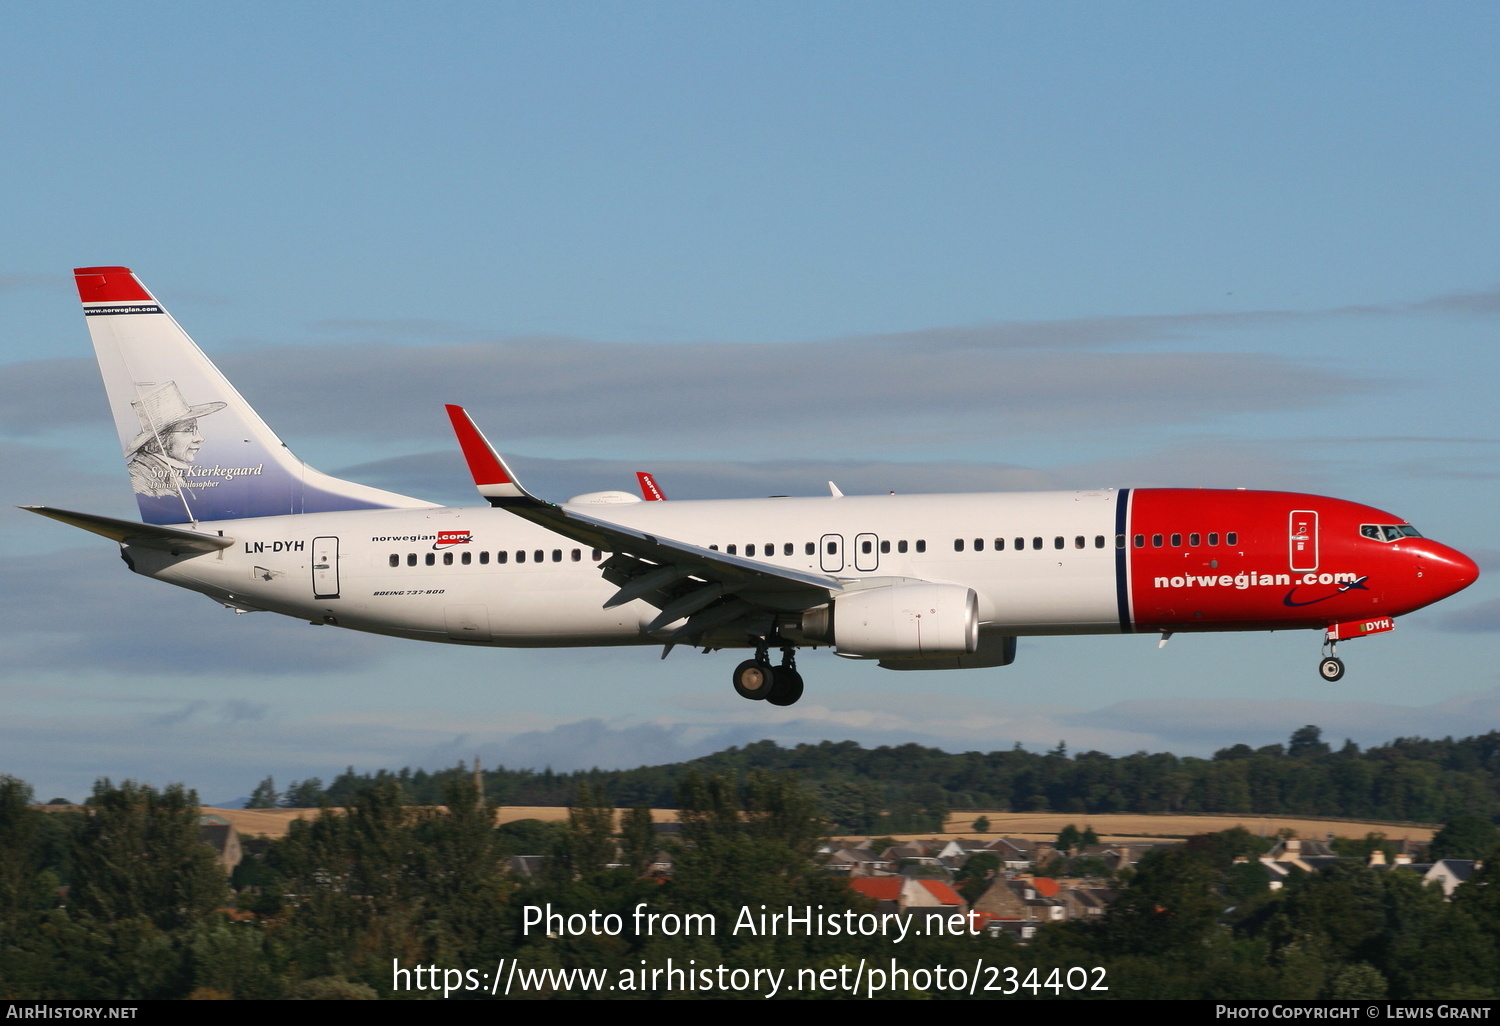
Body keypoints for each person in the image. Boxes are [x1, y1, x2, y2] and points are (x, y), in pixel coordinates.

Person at [123, 381, 226, 498]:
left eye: (196, 429)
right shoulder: (138, 480)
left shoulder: (170, 472)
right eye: (188, 430)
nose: (200, 438)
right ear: (160, 439)